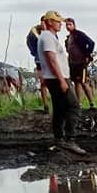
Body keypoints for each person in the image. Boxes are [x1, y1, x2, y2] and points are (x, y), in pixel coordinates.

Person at [38, 10, 84, 154]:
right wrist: (62, 80)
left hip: (55, 78)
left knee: (59, 109)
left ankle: (59, 139)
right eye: (57, 21)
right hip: (57, 78)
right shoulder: (47, 38)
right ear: (49, 22)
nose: (60, 24)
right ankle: (70, 139)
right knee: (74, 107)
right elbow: (51, 59)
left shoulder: (50, 37)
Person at [64, 18, 96, 110]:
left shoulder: (79, 34)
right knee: (76, 82)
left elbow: (91, 43)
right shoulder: (68, 38)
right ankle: (79, 104)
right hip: (72, 63)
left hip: (81, 62)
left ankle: (92, 103)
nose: (68, 26)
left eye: (70, 24)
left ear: (74, 25)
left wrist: (87, 55)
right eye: (67, 25)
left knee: (83, 82)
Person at [26, 18, 49, 113]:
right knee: (43, 83)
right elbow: (29, 41)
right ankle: (46, 106)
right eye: (43, 22)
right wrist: (34, 53)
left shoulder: (51, 32)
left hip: (50, 60)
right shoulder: (34, 31)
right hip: (40, 60)